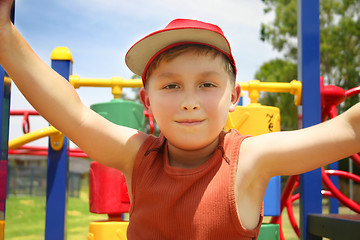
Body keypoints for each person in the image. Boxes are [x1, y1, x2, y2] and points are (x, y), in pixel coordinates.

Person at [0, 1, 359, 239]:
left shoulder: (248, 159)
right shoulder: (138, 157)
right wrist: (4, 32)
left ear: (233, 97)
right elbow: (73, 114)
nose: (189, 102)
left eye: (207, 84)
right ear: (147, 101)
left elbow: (347, 127)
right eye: (171, 85)